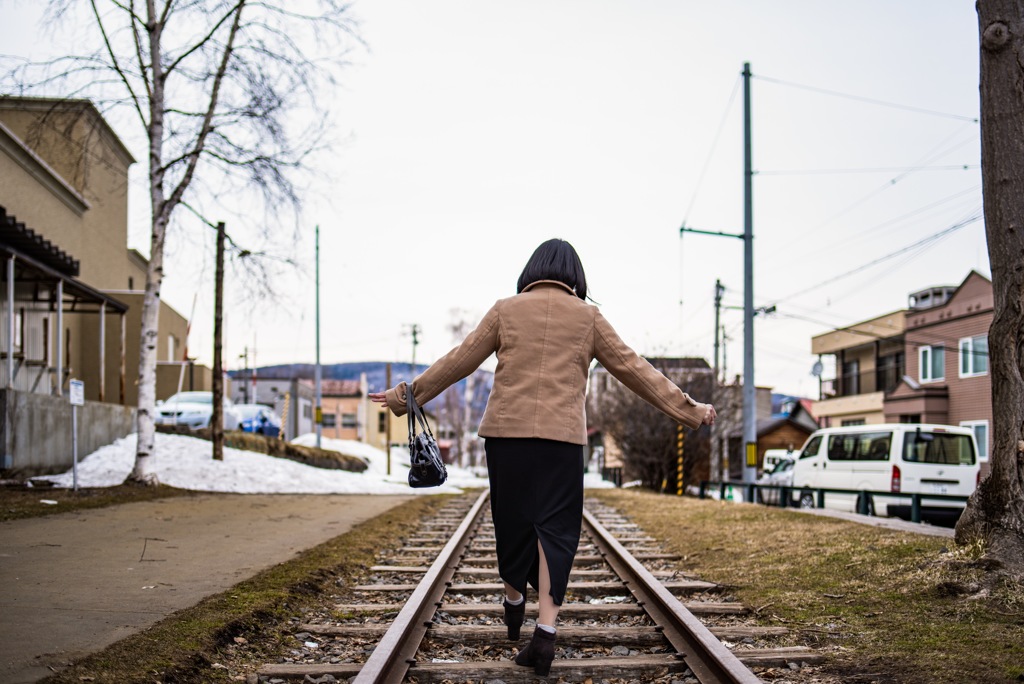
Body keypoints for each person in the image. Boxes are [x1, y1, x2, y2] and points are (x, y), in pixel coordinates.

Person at [370, 238, 715, 676]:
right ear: (576, 277)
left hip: (506, 436)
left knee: (512, 522)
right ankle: (545, 634)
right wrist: (691, 409)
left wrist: (405, 396)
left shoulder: (505, 310)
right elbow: (635, 369)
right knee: (554, 531)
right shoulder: (589, 317)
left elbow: (458, 362)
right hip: (562, 441)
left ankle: (514, 601)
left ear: (532, 271)